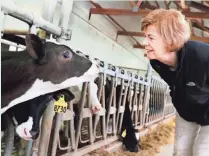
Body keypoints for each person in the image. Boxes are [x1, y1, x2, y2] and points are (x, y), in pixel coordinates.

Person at [141, 8, 209, 156]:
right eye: (144, 36)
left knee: (201, 151)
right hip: (186, 111)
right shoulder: (156, 62)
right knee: (180, 151)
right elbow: (175, 84)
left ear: (170, 38)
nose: (144, 42)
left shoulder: (202, 56)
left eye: (151, 37)